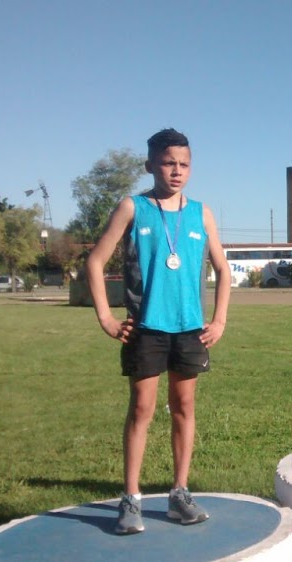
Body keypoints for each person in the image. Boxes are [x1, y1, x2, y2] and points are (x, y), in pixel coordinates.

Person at [86, 128, 231, 534]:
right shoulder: (132, 208)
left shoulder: (201, 213)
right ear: (150, 164)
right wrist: (106, 318)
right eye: (168, 163)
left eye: (184, 164)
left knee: (184, 409)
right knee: (142, 411)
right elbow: (95, 262)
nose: (177, 171)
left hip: (190, 330)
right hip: (146, 328)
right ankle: (130, 499)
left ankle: (179, 494)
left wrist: (218, 319)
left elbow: (222, 270)